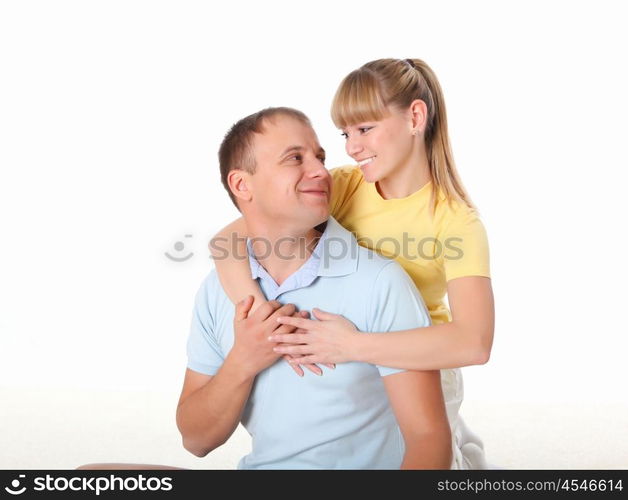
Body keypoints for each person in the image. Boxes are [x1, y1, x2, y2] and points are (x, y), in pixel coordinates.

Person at [79, 106, 452, 469]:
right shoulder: (220, 291)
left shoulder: (379, 283)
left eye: (319, 157)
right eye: (295, 158)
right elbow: (196, 439)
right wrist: (245, 356)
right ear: (242, 184)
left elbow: (429, 440)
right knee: (90, 481)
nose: (321, 171)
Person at [210, 59, 495, 469]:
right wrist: (263, 319)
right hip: (338, 358)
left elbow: (474, 342)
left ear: (415, 117)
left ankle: (462, 455)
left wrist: (353, 346)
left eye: (365, 129)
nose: (351, 147)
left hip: (412, 367)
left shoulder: (456, 222)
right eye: (346, 133)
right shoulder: (344, 186)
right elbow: (226, 241)